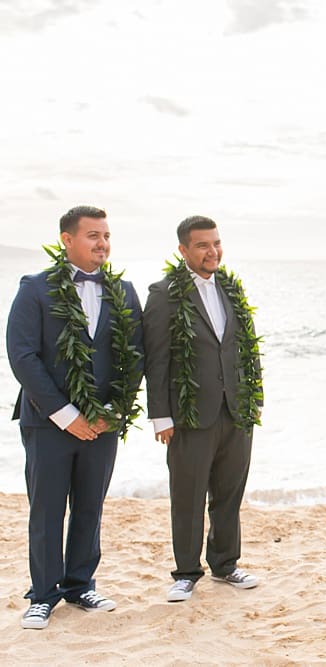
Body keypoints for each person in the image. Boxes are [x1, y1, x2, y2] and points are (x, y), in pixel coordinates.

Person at [6, 205, 144, 629]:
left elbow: (135, 355)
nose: (102, 243)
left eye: (106, 236)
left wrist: (113, 411)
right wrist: (65, 415)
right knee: (46, 509)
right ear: (67, 239)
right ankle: (43, 594)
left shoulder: (124, 291)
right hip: (46, 422)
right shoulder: (35, 288)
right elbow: (22, 355)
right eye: (93, 236)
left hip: (103, 423)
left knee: (89, 506)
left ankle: (80, 584)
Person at [143, 215, 263, 603]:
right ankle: (186, 572)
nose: (212, 251)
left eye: (216, 243)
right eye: (202, 245)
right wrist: (161, 416)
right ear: (183, 250)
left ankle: (226, 564)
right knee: (188, 494)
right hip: (190, 414)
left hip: (235, 412)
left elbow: (242, 349)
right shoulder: (164, 294)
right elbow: (156, 359)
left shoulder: (230, 289)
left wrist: (252, 401)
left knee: (229, 493)